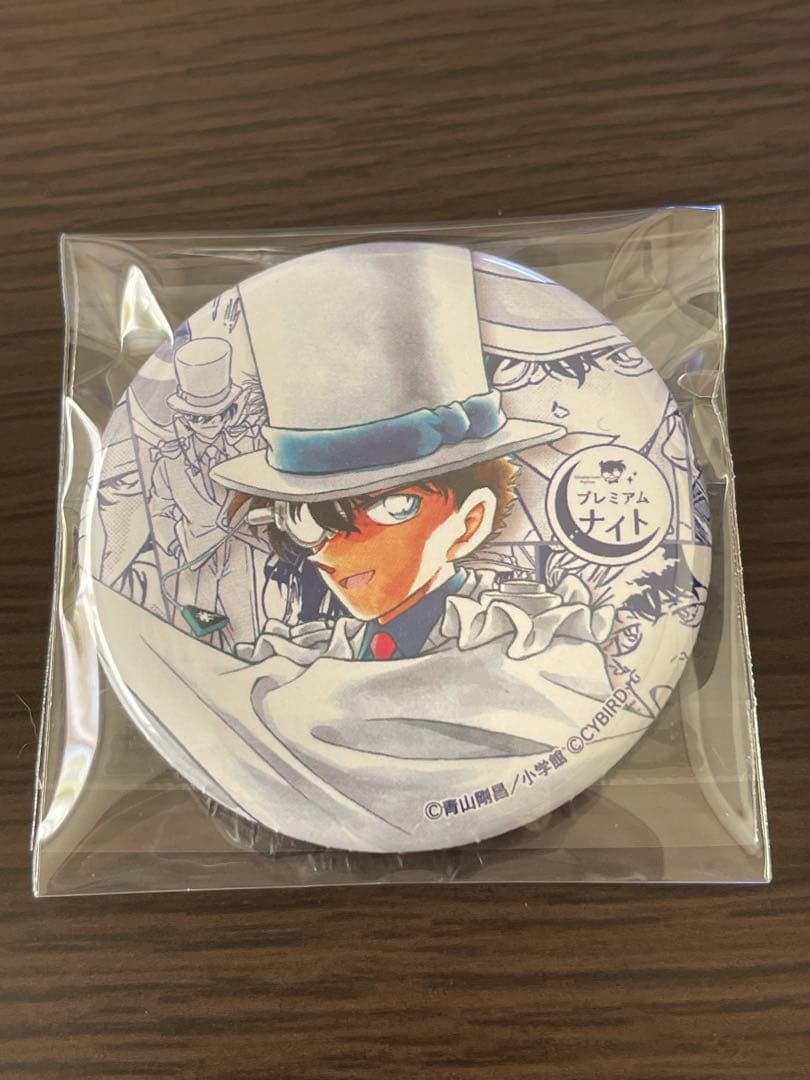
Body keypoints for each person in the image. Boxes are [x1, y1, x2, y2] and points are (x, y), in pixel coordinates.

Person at [95, 243, 633, 851]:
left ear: (470, 522)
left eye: (390, 508)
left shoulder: (532, 655)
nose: (332, 553)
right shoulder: (307, 658)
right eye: (308, 522)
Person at [148, 336, 267, 649]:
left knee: (246, 633)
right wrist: (173, 544)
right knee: (197, 636)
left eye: (221, 414)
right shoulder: (170, 461)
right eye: (200, 417)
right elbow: (159, 509)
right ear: (186, 419)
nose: (211, 423)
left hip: (242, 554)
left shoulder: (247, 449)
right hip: (194, 559)